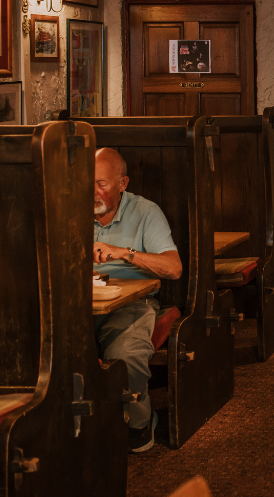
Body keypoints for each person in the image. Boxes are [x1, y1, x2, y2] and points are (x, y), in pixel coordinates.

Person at [92, 148, 182, 453]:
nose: (93, 192)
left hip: (130, 303)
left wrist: (124, 253)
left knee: (124, 354)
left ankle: (139, 424)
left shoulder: (145, 212)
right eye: (87, 183)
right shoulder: (69, 208)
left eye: (101, 184)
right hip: (77, 303)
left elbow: (174, 268)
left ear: (122, 183)